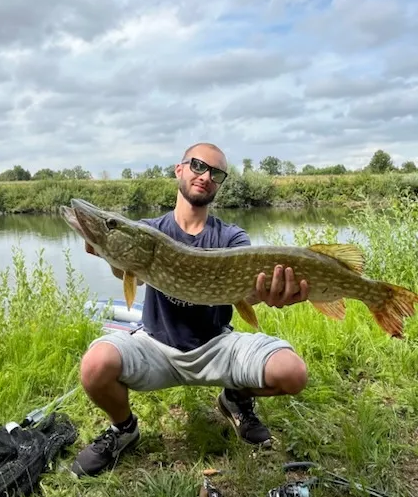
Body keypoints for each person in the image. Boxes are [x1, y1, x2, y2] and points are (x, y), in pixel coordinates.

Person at [69, 142, 310, 477]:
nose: (205, 176)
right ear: (179, 169)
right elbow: (128, 271)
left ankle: (235, 398)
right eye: (197, 165)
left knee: (293, 372)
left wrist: (276, 293)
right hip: (156, 346)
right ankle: (124, 429)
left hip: (216, 346)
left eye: (216, 172)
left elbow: (252, 295)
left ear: (220, 184)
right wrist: (106, 247)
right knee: (95, 365)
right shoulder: (148, 231)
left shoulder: (231, 237)